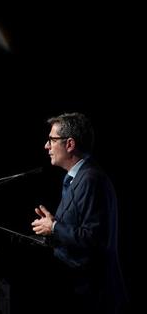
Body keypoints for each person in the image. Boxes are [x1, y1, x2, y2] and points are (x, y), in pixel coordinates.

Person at [31, 112, 127, 314]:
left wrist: (55, 228)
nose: (46, 146)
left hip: (93, 296)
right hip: (77, 290)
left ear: (70, 144)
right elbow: (78, 228)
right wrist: (52, 225)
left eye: (51, 140)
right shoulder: (76, 178)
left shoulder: (91, 180)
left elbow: (93, 239)